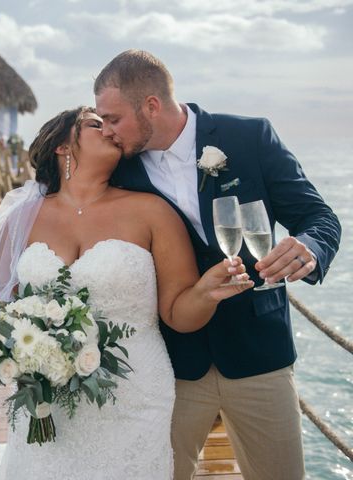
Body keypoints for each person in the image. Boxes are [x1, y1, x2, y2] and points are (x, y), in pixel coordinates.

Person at [0, 106, 254, 480]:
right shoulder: (21, 218)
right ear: (62, 145)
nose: (109, 129)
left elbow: (178, 314)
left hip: (134, 392)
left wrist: (206, 293)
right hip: (45, 398)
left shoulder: (152, 212)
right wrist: (26, 353)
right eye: (96, 124)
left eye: (111, 124)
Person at [93, 50, 341, 480]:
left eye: (113, 119)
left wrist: (310, 247)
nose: (108, 132)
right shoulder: (118, 170)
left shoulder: (249, 137)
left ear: (151, 104)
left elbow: (318, 217)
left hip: (259, 352)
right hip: (170, 364)